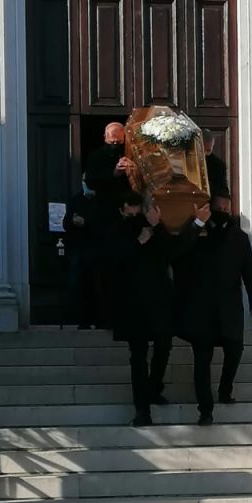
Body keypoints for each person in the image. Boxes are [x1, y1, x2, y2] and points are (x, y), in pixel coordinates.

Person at [174, 193, 252, 426]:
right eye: (219, 207)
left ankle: (225, 389)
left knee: (235, 349)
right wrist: (197, 224)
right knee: (202, 360)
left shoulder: (239, 237)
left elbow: (249, 271)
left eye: (227, 208)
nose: (224, 211)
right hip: (200, 308)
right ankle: (205, 410)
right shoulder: (196, 231)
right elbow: (178, 252)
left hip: (229, 307)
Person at [105, 192, 175, 427]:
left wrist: (158, 226)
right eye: (130, 213)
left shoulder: (154, 228)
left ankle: (154, 388)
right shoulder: (116, 231)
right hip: (132, 303)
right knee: (138, 356)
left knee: (164, 346)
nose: (134, 218)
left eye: (138, 213)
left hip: (159, 300)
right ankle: (142, 409)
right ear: (122, 211)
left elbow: (172, 253)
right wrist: (138, 242)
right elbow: (113, 261)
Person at [61, 176, 101, 330]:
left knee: (96, 285)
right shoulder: (75, 200)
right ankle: (82, 320)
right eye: (84, 180)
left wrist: (86, 223)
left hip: (96, 250)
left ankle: (99, 319)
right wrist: (72, 221)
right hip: (78, 249)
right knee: (79, 284)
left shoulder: (101, 201)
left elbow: (104, 225)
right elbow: (65, 223)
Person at [202, 129, 230, 200]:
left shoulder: (218, 165)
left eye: (208, 151)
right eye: (201, 150)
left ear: (212, 146)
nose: (204, 154)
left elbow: (223, 191)